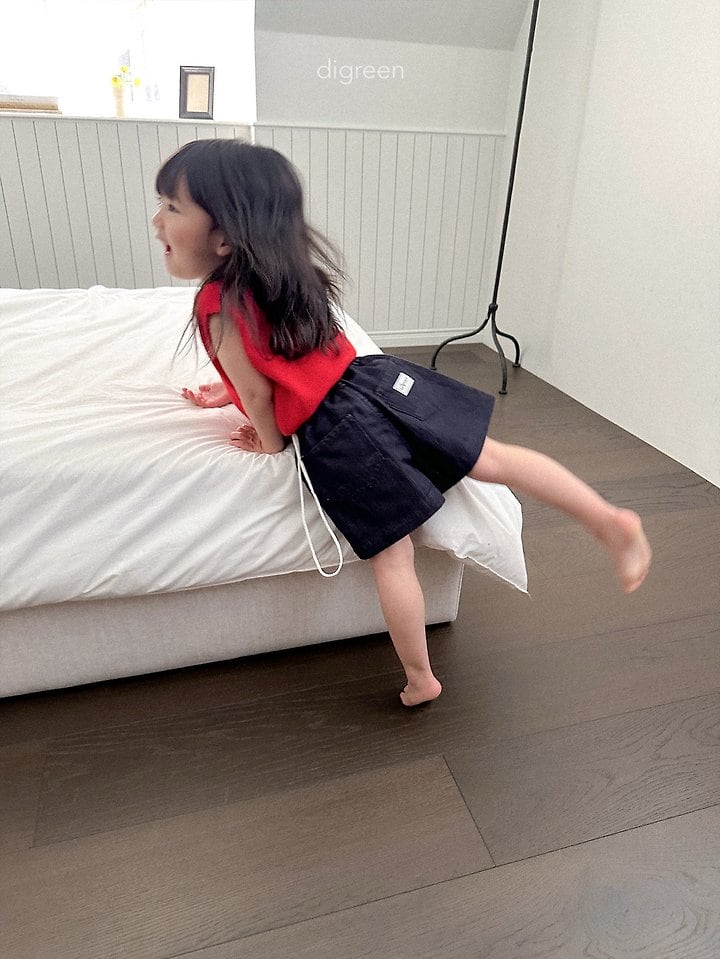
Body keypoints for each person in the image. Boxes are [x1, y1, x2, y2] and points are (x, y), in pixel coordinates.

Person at [153, 138, 652, 707]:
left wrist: (268, 445)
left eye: (171, 207)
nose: (157, 220)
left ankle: (421, 677)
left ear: (223, 237)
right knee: (495, 457)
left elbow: (258, 391)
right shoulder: (282, 274)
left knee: (393, 555)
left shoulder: (217, 302)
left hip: (338, 432)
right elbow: (283, 353)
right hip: (376, 383)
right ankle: (609, 521)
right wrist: (226, 390)